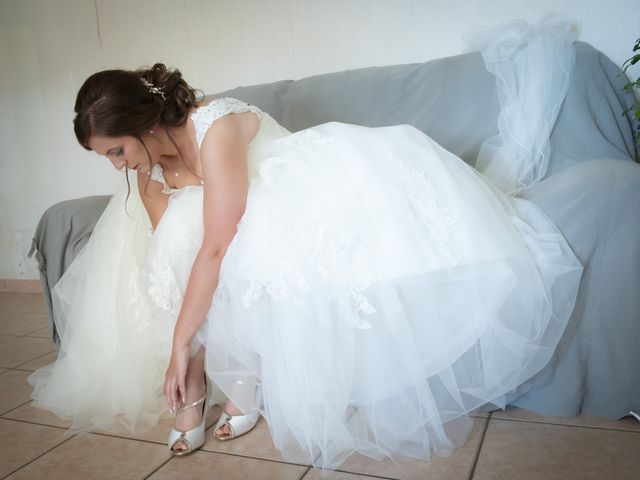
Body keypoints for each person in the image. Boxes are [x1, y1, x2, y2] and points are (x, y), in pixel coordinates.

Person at [29, 14, 583, 473]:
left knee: (212, 241)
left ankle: (242, 386)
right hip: (232, 228)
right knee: (174, 237)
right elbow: (173, 258)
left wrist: (178, 340)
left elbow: (219, 244)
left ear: (143, 123)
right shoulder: (147, 175)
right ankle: (204, 385)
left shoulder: (213, 127)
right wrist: (183, 342)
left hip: (299, 194)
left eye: (117, 151)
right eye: (108, 157)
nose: (117, 166)